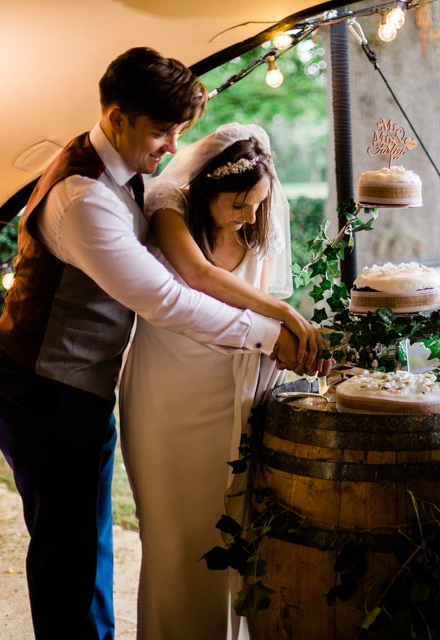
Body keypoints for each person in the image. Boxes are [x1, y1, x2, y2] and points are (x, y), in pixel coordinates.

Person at [0, 48, 319, 640]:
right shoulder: (84, 199)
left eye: (179, 132)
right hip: (42, 385)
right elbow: (166, 298)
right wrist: (268, 336)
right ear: (116, 118)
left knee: (87, 542)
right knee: (70, 553)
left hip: (77, 385)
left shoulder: (124, 169)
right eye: (161, 131)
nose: (171, 148)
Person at [119, 123, 319, 640]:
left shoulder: (259, 220)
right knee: (175, 537)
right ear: (207, 190)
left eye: (258, 204)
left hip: (236, 388)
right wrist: (283, 317)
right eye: (237, 205)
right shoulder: (167, 202)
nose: (250, 216)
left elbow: (260, 292)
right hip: (169, 393)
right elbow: (197, 275)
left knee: (231, 531)